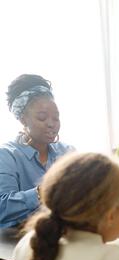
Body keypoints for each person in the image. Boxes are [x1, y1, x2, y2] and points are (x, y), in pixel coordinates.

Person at [0, 74, 73, 228]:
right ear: (23, 119)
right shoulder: (6, 156)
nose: (51, 124)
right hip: (17, 242)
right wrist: (43, 191)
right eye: (42, 118)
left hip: (64, 235)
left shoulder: (67, 152)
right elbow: (2, 208)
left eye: (56, 118)